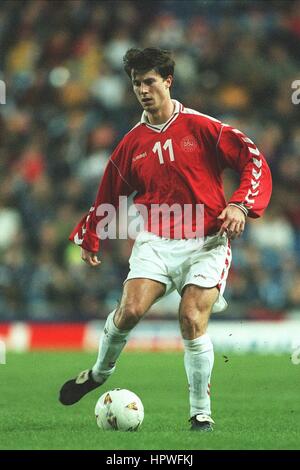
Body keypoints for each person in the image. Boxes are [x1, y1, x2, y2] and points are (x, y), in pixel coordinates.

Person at [59, 47, 272, 431]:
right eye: (136, 83)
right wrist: (91, 234)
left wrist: (240, 205)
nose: (142, 89)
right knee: (130, 312)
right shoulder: (131, 144)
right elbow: (109, 194)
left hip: (206, 241)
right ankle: (98, 374)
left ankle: (199, 412)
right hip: (156, 241)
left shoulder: (204, 128)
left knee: (191, 317)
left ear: (168, 81)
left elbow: (252, 160)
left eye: (149, 81)